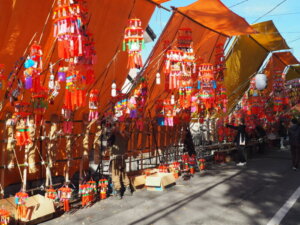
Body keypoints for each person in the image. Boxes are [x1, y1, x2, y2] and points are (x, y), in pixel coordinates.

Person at [108, 122, 131, 199]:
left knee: (116, 175)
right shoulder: (124, 136)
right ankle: (128, 188)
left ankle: (118, 191)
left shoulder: (113, 136)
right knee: (123, 173)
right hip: (122, 158)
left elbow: (108, 142)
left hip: (116, 158)